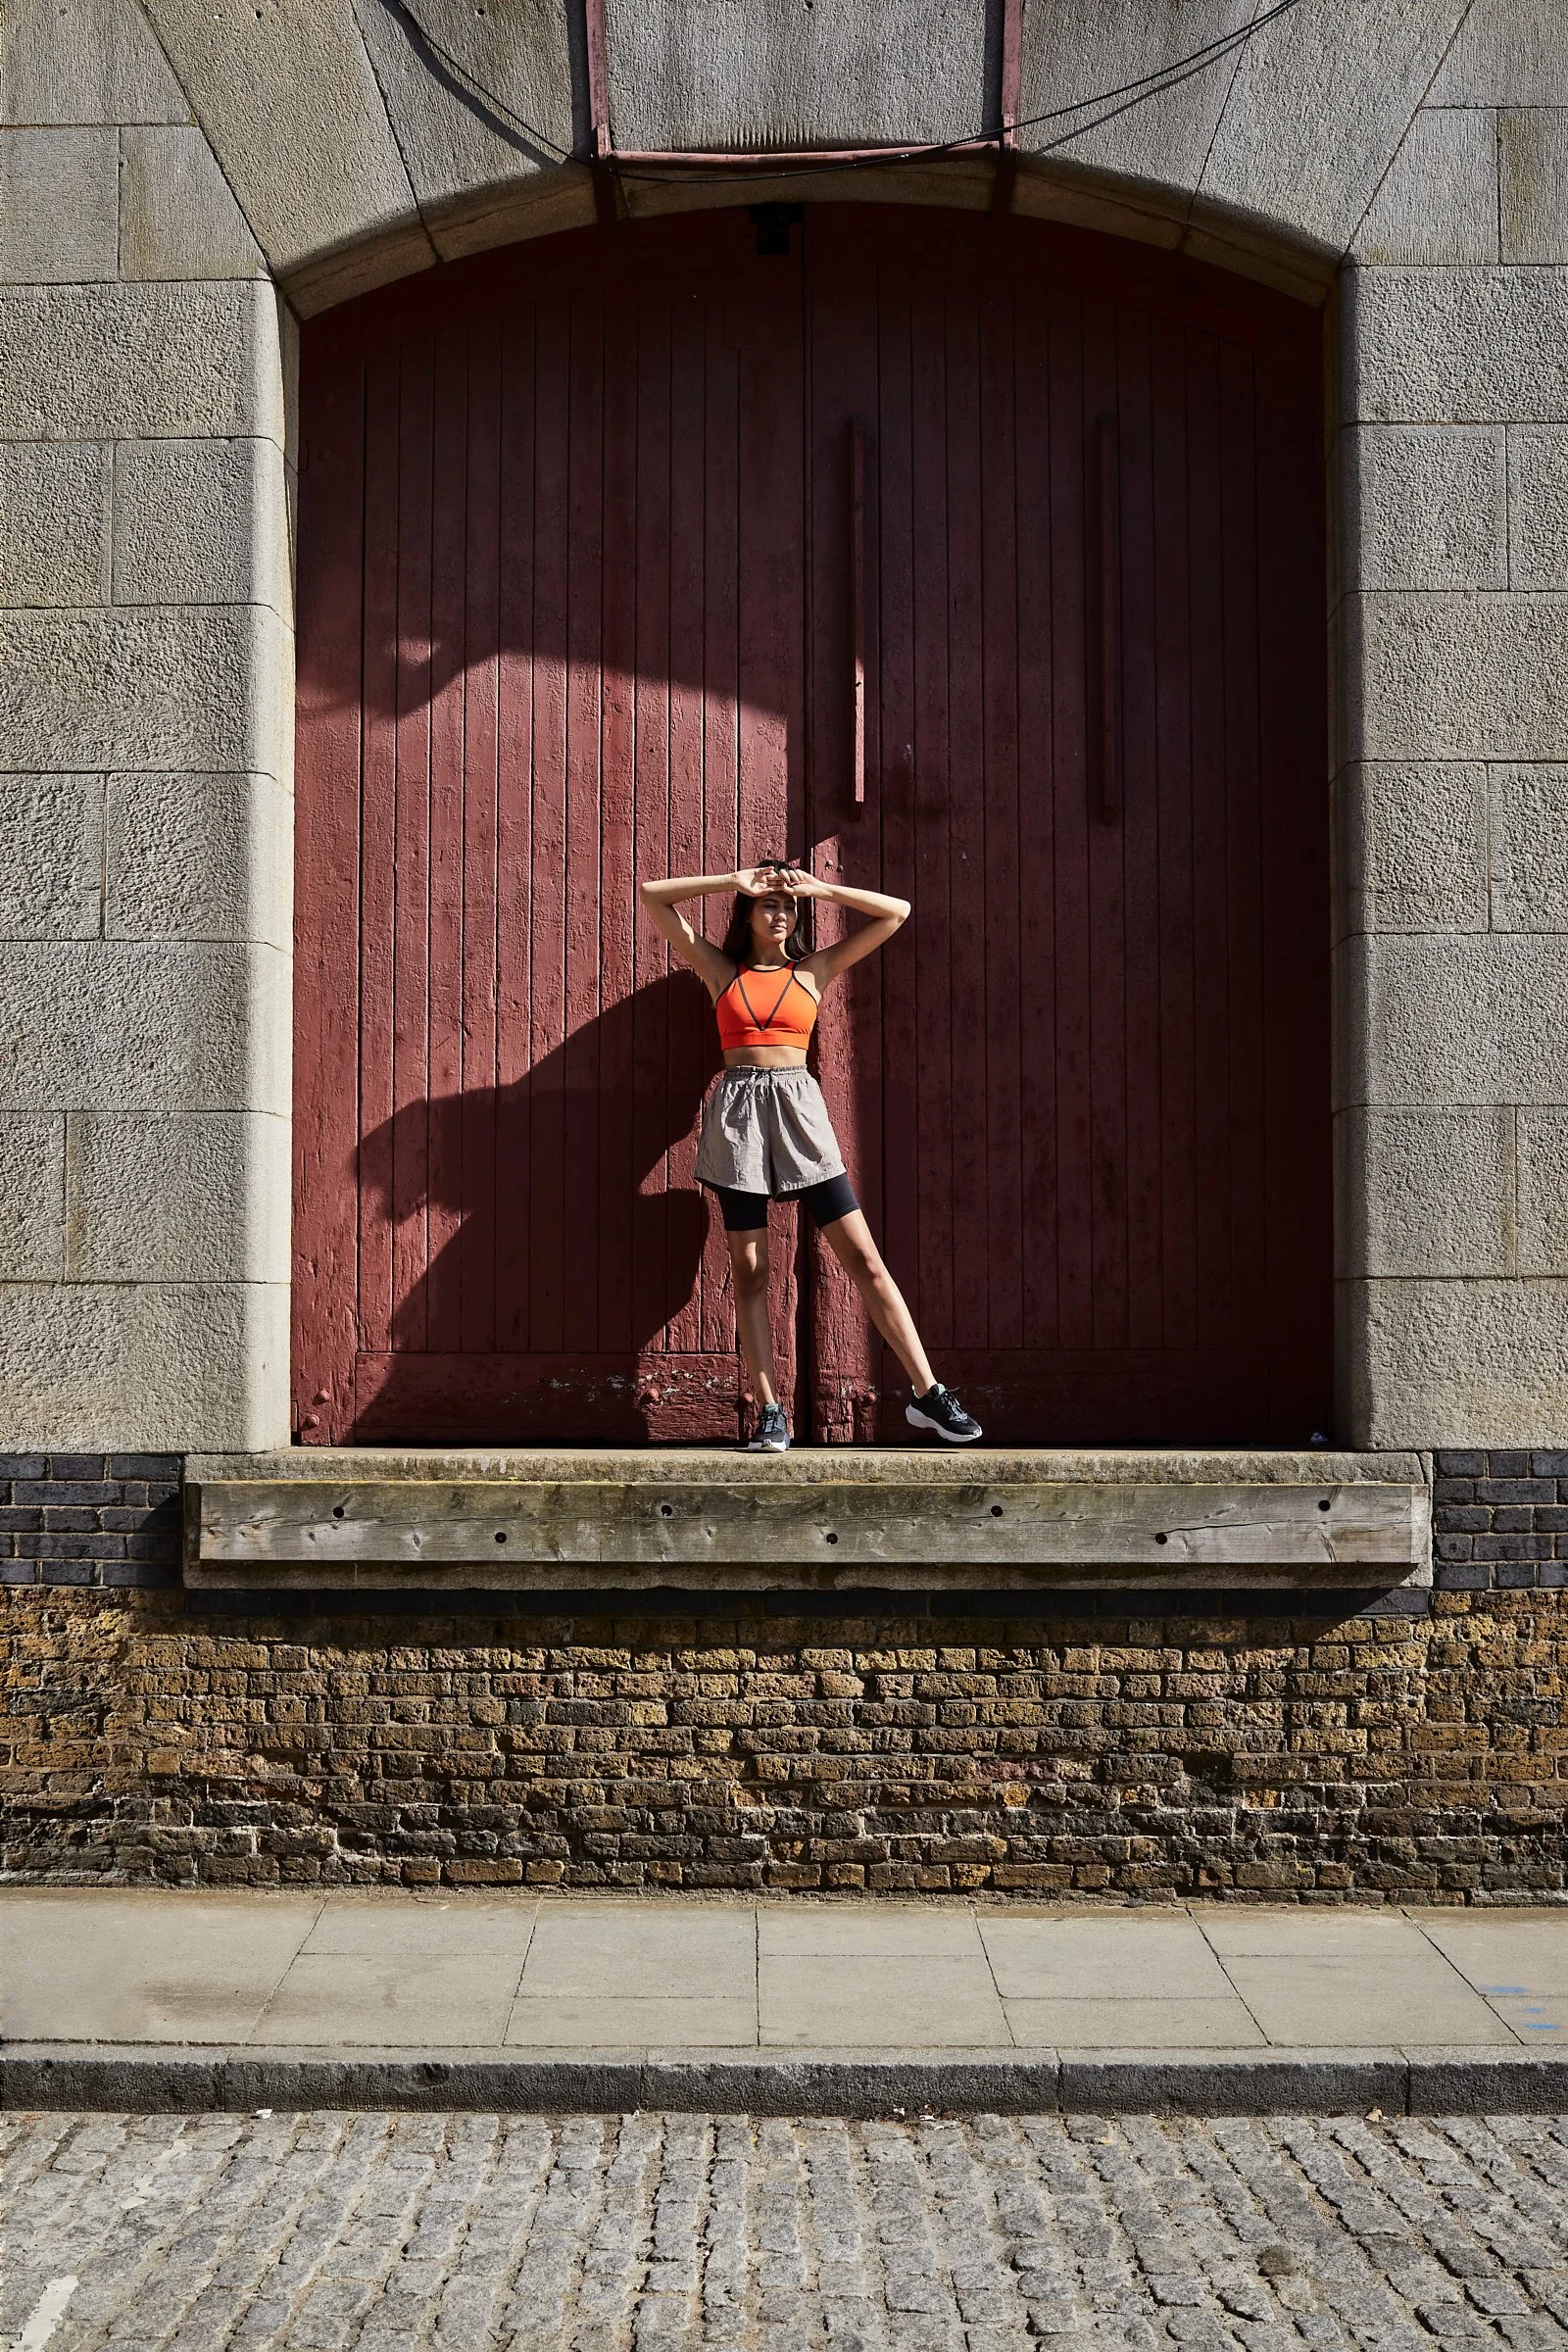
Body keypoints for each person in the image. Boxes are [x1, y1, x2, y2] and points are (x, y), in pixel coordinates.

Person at [637, 859, 983, 1452]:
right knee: (750, 1271)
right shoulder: (722, 972)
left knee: (865, 1259)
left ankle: (928, 1395)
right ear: (748, 914)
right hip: (741, 1119)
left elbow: (894, 912)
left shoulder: (811, 972)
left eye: (788, 907)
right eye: (769, 904)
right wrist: (732, 883)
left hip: (800, 1115)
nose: (779, 913)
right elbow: (652, 896)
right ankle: (771, 1410)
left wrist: (818, 888)